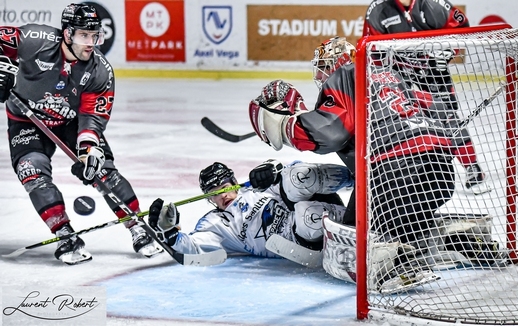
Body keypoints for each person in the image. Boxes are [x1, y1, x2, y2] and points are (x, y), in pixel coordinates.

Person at [247, 37, 504, 285]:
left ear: (340, 61)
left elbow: (330, 132)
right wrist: (467, 161)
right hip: (441, 173)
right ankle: (462, 238)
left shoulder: (345, 75)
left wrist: (284, 123)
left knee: (347, 242)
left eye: (325, 66)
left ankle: (393, 265)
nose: (320, 75)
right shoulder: (390, 75)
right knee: (409, 221)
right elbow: (441, 111)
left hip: (395, 172)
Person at [1, 3, 161, 265]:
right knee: (33, 171)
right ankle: (64, 234)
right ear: (66, 34)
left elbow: (93, 116)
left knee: (101, 169)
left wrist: (88, 149)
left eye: (94, 35)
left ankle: (137, 227)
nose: (91, 42)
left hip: (70, 121)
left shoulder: (100, 71)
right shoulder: (35, 40)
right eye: (83, 35)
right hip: (25, 119)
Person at [362, 0, 489, 194]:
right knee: (400, 118)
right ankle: (411, 167)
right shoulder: (378, 10)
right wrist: (382, 74)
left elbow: (462, 26)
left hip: (432, 68)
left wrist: (447, 49)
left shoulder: (433, 4)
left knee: (446, 116)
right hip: (398, 70)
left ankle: (472, 166)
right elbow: (370, 49)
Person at [147, 160, 352, 258]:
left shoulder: (253, 186)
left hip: (316, 201)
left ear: (234, 182)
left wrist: (273, 170)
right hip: (299, 238)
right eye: (213, 194)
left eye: (224, 188)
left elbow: (295, 168)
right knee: (309, 217)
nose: (222, 196)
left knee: (298, 175)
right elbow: (192, 247)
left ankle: (359, 177)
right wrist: (170, 233)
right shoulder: (216, 224)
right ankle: (356, 228)